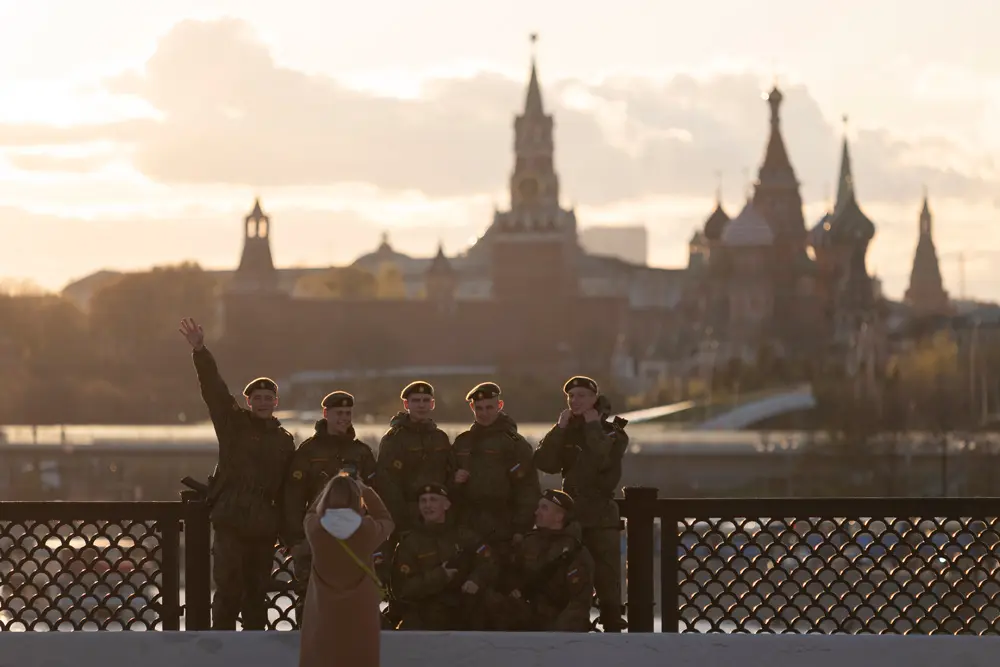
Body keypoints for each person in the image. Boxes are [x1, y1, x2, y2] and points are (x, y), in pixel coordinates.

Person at [178, 316, 295, 631]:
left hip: (264, 524)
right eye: (257, 398)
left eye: (268, 398)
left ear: (275, 402)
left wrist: (288, 530)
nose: (263, 403)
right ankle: (223, 649)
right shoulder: (233, 426)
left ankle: (254, 651)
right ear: (248, 401)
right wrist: (200, 350)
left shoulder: (285, 441)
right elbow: (214, 389)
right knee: (229, 590)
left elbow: (288, 488)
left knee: (257, 593)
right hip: (231, 517)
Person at [534, 375, 629, 631]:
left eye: (582, 396)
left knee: (606, 575)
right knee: (571, 573)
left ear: (595, 399)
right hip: (572, 515)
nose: (575, 401)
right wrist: (559, 429)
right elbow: (545, 462)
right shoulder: (568, 431)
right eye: (571, 396)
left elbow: (602, 462)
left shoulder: (613, 433)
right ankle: (573, 623)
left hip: (600, 515)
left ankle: (612, 623)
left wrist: (592, 427)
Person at [282, 390, 378, 624]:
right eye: (338, 413)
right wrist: (294, 540)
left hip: (352, 537)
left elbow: (376, 497)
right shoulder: (309, 451)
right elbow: (292, 499)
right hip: (316, 537)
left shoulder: (361, 452)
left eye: (348, 413)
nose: (344, 418)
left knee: (351, 601)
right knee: (310, 600)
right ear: (326, 414)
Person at [372, 381, 454, 606]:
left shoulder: (440, 438)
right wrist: (402, 520)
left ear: (433, 404)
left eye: (426, 401)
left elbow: (448, 477)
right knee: (405, 577)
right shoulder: (394, 439)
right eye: (416, 401)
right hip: (406, 519)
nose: (421, 405)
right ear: (406, 404)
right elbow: (387, 483)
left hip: (437, 521)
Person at [299, 473, 394, 667]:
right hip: (361, 609)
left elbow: (310, 512)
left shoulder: (316, 528)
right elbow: (386, 520)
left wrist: (330, 488)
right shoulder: (366, 529)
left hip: (323, 609)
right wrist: (365, 490)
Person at [451, 382, 539, 584]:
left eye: (489, 407)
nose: (484, 413)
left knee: (501, 583)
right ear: (472, 408)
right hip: (469, 525)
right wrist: (454, 481)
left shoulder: (514, 444)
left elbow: (528, 490)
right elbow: (446, 486)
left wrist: (520, 529)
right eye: (479, 408)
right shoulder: (463, 442)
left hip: (503, 525)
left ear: (499, 406)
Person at [389, 483, 498, 630]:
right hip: (427, 612)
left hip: (464, 607)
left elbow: (489, 559)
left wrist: (476, 580)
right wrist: (441, 575)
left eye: (433, 499)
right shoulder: (409, 544)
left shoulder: (464, 535)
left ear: (446, 505)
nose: (428, 505)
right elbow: (403, 589)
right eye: (423, 501)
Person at [485, 489, 594, 632]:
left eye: (544, 508)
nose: (536, 512)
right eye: (538, 507)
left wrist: (555, 634)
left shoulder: (575, 552)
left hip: (556, 621)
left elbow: (579, 603)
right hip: (525, 614)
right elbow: (509, 574)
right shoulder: (527, 543)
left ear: (559, 517)